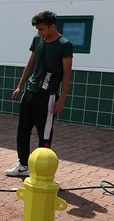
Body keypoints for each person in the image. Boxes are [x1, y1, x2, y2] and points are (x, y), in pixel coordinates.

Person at [5, 10, 73, 177]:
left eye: (42, 29)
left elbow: (67, 75)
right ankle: (23, 165)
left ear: (52, 26)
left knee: (45, 134)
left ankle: (43, 169)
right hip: (30, 93)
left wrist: (62, 99)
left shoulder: (65, 45)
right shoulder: (37, 40)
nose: (39, 32)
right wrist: (20, 85)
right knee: (22, 131)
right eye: (37, 29)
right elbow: (30, 64)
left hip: (47, 96)